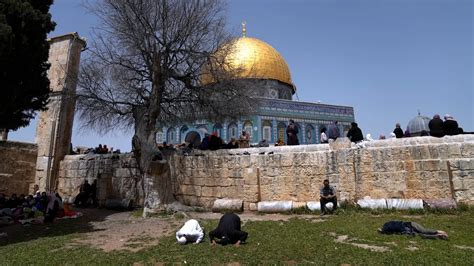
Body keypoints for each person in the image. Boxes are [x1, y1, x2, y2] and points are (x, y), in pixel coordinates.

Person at [379, 220, 448, 240]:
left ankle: (439, 231)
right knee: (423, 236)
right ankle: (438, 235)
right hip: (410, 230)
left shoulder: (390, 226)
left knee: (423, 231)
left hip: (412, 225)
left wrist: (381, 231)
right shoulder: (390, 227)